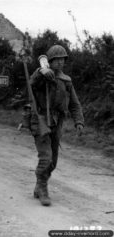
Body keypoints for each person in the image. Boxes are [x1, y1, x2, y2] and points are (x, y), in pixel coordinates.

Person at [29, 45, 84, 206]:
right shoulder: (43, 75)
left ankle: (39, 184)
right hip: (40, 119)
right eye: (57, 60)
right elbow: (31, 83)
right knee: (46, 158)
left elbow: (74, 104)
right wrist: (41, 72)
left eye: (62, 60)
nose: (60, 63)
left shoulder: (66, 80)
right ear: (50, 61)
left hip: (56, 121)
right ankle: (43, 190)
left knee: (53, 162)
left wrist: (79, 121)